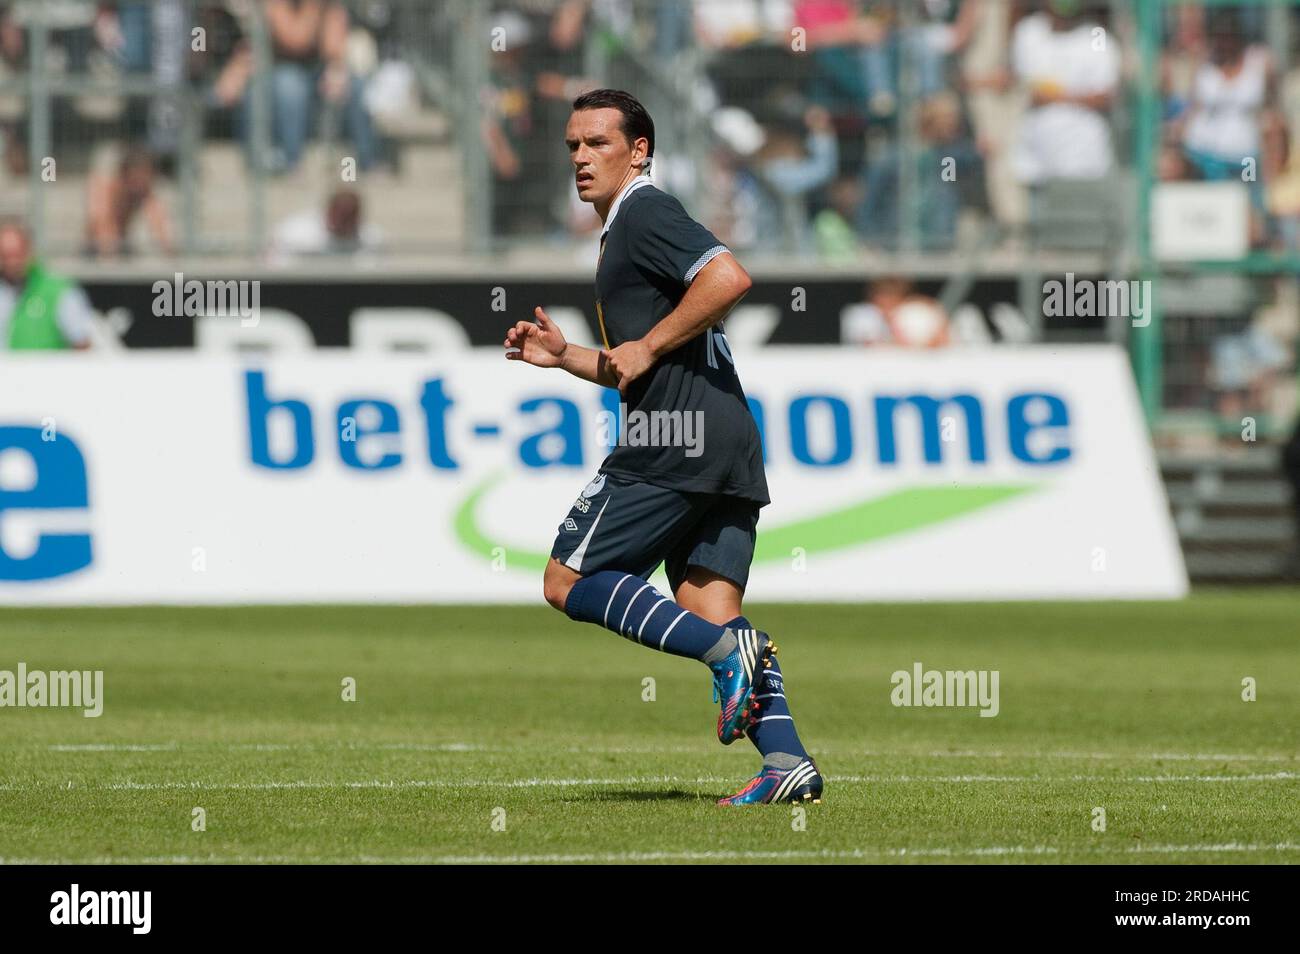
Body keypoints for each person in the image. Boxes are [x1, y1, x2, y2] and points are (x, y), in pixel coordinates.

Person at [503, 88, 822, 805]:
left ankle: (723, 656)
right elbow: (633, 366)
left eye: (597, 144)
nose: (580, 159)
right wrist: (567, 358)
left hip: (674, 439)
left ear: (639, 150)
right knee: (709, 606)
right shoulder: (625, 229)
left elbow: (728, 277)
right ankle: (786, 764)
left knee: (568, 580)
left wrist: (643, 343)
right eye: (572, 147)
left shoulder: (645, 212)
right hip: (726, 437)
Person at [0, 219, 94, 350]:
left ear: (29, 251)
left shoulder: (59, 292)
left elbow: (82, 343)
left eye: (16, 255)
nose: (12, 262)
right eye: (5, 256)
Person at [84, 146, 174, 257]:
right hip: (94, 250)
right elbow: (102, 223)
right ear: (125, 174)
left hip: (119, 246)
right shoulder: (103, 187)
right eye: (138, 179)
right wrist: (109, 259)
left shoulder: (143, 191)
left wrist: (171, 255)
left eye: (147, 178)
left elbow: (159, 223)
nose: (142, 184)